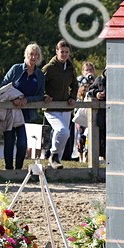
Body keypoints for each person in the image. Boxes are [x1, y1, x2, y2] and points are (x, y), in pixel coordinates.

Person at [0, 43, 46, 170]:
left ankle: (18, 170)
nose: (33, 57)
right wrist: (14, 98)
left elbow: (41, 95)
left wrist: (28, 99)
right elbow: (3, 86)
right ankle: (8, 170)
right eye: (31, 54)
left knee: (22, 144)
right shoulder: (16, 69)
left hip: (27, 113)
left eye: (36, 55)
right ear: (26, 55)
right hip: (10, 111)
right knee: (9, 142)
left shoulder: (40, 75)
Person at [41, 39, 79, 169]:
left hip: (65, 107)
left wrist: (73, 97)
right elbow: (39, 84)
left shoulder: (70, 68)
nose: (64, 54)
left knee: (63, 135)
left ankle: (56, 166)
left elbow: (75, 85)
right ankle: (53, 155)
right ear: (57, 51)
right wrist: (44, 95)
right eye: (62, 51)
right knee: (63, 132)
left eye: (66, 52)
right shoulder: (49, 68)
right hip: (51, 107)